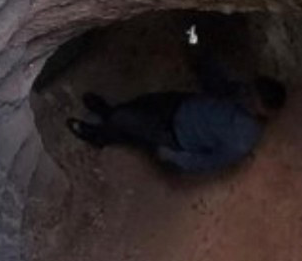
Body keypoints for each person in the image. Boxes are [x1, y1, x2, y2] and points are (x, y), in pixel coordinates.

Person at [66, 25, 286, 173]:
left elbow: (209, 162)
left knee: (127, 121)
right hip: (179, 104)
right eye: (250, 90)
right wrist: (195, 43)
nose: (246, 94)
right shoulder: (243, 95)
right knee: (137, 106)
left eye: (252, 97)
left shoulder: (241, 140)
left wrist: (175, 157)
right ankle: (108, 113)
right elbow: (216, 81)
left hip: (176, 136)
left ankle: (98, 134)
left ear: (263, 111)